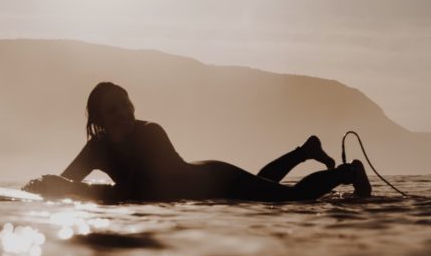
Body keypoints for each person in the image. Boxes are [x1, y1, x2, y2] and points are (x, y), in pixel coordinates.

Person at [23, 82, 372, 203]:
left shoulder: (151, 133)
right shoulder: (97, 147)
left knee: (291, 198)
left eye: (126, 105)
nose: (123, 114)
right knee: (263, 189)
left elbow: (145, 191)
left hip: (218, 179)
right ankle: (305, 152)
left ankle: (347, 172)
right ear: (98, 119)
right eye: (112, 110)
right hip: (211, 188)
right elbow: (67, 182)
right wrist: (43, 187)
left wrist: (77, 192)